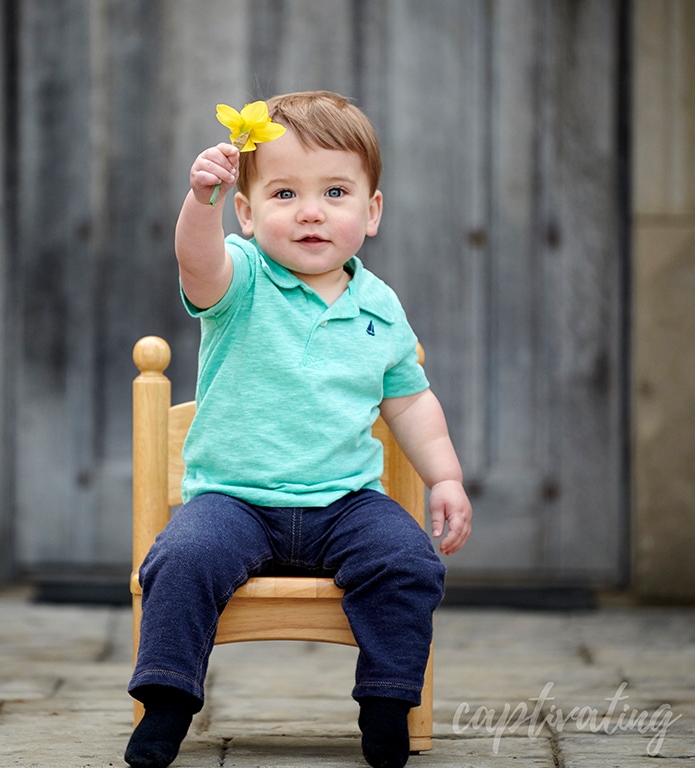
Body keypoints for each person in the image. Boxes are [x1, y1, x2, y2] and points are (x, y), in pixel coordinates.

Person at [125, 90, 473, 768]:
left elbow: (410, 402)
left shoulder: (380, 307)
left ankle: (386, 702)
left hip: (345, 503)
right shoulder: (243, 280)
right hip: (234, 501)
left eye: (335, 191)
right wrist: (203, 203)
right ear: (249, 215)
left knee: (407, 560)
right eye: (284, 194)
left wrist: (446, 476)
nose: (311, 212)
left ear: (371, 212)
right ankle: (166, 702)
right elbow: (197, 265)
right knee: (181, 558)